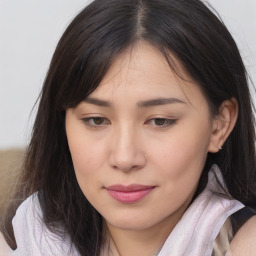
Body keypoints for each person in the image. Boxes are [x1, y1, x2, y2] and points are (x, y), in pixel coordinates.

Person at [0, 0, 256, 255]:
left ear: (219, 126)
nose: (124, 158)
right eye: (96, 120)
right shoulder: (31, 234)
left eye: (159, 121)